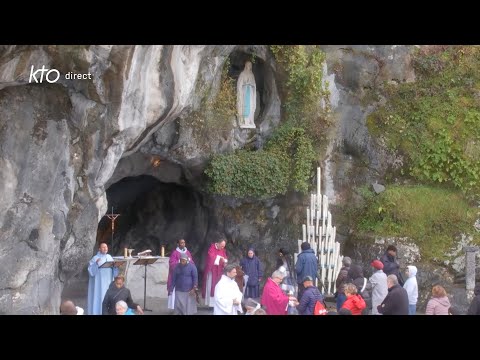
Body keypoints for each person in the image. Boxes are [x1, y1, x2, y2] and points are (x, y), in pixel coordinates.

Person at [87, 242, 119, 315]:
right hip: (98, 284)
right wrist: (96, 264)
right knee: (99, 298)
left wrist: (115, 266)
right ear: (99, 249)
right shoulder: (95, 258)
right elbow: (90, 271)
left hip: (108, 282)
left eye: (106, 247)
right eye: (103, 247)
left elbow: (115, 272)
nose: (105, 248)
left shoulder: (109, 257)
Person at [167, 239, 195, 310]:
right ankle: (175, 308)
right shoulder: (175, 253)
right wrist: (180, 261)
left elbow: (191, 262)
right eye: (181, 243)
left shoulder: (187, 252)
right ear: (178, 244)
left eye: (184, 242)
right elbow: (172, 263)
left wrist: (188, 261)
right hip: (177, 277)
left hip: (186, 276)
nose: (183, 244)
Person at [202, 237, 228, 307]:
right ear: (218, 243)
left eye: (224, 246)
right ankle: (210, 303)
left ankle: (217, 303)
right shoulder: (212, 248)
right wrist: (219, 258)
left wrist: (224, 262)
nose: (222, 247)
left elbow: (225, 258)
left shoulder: (222, 250)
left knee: (218, 287)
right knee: (211, 286)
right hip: (212, 271)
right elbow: (211, 257)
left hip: (219, 272)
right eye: (222, 246)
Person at [237, 61, 256, 128]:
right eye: (248, 65)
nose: (249, 66)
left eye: (250, 65)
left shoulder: (252, 74)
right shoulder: (242, 74)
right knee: (244, 105)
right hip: (244, 92)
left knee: (250, 106)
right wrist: (245, 84)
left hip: (250, 92)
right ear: (245, 65)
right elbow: (239, 84)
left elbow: (254, 85)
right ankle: (244, 121)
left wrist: (251, 84)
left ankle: (250, 120)